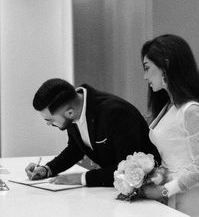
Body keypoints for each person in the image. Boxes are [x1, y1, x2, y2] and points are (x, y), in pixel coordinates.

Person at [139, 34, 199, 216]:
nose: (145, 76)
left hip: (193, 201)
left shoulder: (191, 110)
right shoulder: (168, 106)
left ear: (165, 66)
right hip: (172, 195)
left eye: (147, 68)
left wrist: (164, 190)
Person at [25, 78, 161, 187]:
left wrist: (82, 178)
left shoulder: (115, 113)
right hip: (115, 189)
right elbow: (74, 149)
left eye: (50, 120)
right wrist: (47, 169)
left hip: (150, 185)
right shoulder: (73, 111)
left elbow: (126, 167)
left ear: (69, 112)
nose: (49, 124)